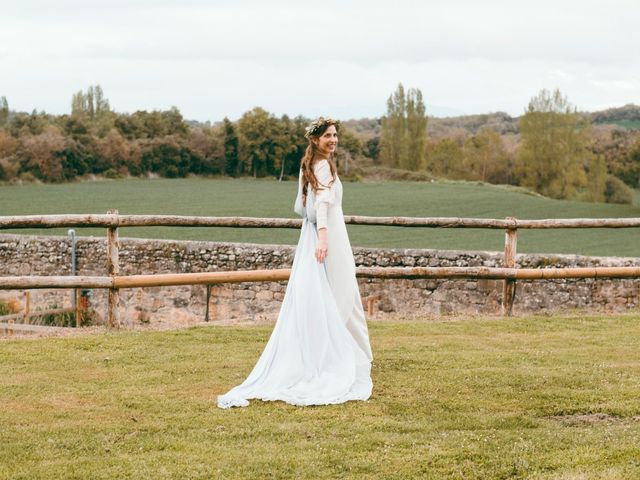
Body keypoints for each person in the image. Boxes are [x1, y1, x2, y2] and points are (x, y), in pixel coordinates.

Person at [217, 117, 373, 408]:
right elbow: (323, 203)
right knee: (340, 297)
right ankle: (332, 361)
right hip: (330, 238)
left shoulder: (308, 165)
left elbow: (300, 207)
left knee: (332, 297)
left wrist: (314, 230)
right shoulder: (322, 166)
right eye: (328, 135)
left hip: (313, 235)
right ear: (315, 139)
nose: (333, 140)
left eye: (335, 135)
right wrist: (324, 239)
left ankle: (342, 356)